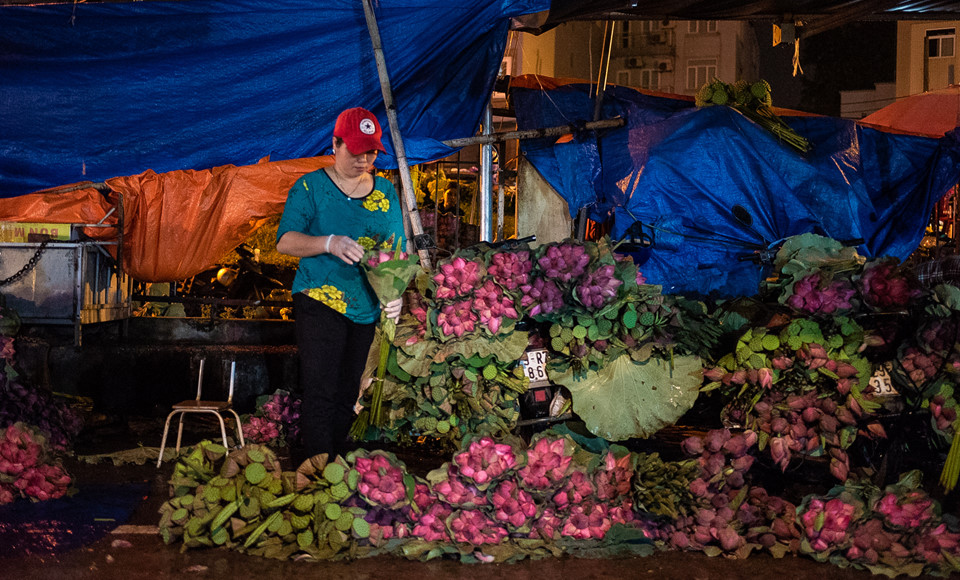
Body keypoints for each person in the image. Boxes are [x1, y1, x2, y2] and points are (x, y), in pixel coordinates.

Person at [276, 107, 405, 460]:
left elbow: (395, 251)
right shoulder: (310, 188)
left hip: (365, 306)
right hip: (319, 299)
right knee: (321, 389)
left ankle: (334, 467)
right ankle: (317, 467)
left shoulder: (385, 192)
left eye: (371, 152)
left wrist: (395, 296)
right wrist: (327, 243)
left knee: (349, 391)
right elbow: (285, 240)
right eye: (355, 150)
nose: (364, 159)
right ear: (335, 144)